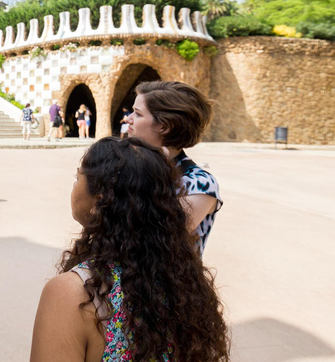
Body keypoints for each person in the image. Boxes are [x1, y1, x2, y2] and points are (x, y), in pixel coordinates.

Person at [30, 137, 230, 362]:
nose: (74, 184)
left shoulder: (74, 293)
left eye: (78, 177)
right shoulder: (184, 283)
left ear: (100, 200)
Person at [125, 81, 222, 255]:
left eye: (138, 114)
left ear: (164, 126)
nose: (128, 119)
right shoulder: (127, 163)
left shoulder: (199, 183)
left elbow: (156, 239)